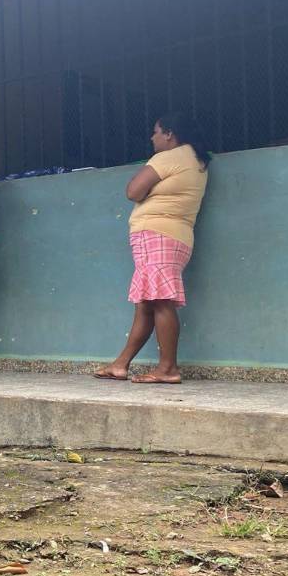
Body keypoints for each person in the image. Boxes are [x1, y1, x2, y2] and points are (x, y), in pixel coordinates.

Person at [94, 112, 211, 384]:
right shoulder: (195, 159)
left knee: (160, 302)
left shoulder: (169, 157)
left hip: (157, 235)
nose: (152, 137)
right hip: (177, 236)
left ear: (169, 133)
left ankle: (168, 368)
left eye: (156, 131)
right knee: (147, 303)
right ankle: (120, 364)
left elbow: (133, 191)